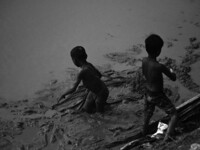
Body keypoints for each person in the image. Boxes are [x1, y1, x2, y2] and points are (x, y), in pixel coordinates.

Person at [142, 34, 177, 141]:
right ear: (158, 51)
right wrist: (172, 71)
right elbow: (173, 78)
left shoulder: (144, 60)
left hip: (147, 92)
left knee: (148, 112)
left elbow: (144, 74)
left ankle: (144, 130)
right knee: (174, 114)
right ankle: (168, 137)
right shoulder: (159, 66)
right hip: (157, 95)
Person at [58, 46, 109, 113]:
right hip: (99, 89)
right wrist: (91, 85)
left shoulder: (82, 72)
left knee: (99, 112)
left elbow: (73, 89)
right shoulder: (89, 65)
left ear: (75, 60)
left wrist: (63, 95)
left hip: (101, 93)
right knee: (86, 109)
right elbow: (99, 75)